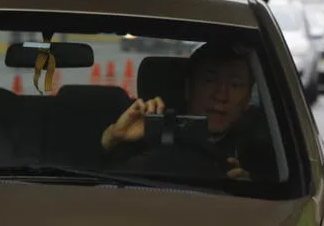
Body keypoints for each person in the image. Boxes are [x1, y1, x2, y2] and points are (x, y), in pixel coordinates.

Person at [100, 44, 277, 182]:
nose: (221, 95)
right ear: (188, 89)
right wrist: (113, 138)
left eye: (235, 85)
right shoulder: (143, 139)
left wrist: (250, 191)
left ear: (248, 99)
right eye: (209, 80)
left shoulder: (269, 156)